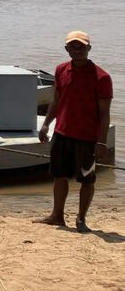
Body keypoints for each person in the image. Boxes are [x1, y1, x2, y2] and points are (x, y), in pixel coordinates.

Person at [36, 31, 112, 233]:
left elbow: (105, 114)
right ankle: (57, 215)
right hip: (62, 133)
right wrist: (46, 124)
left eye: (81, 46)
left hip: (87, 138)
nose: (77, 50)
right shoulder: (61, 70)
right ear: (66, 49)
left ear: (89, 48)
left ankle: (81, 218)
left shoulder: (102, 77)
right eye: (73, 46)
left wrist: (102, 142)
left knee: (87, 180)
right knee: (59, 176)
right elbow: (56, 101)